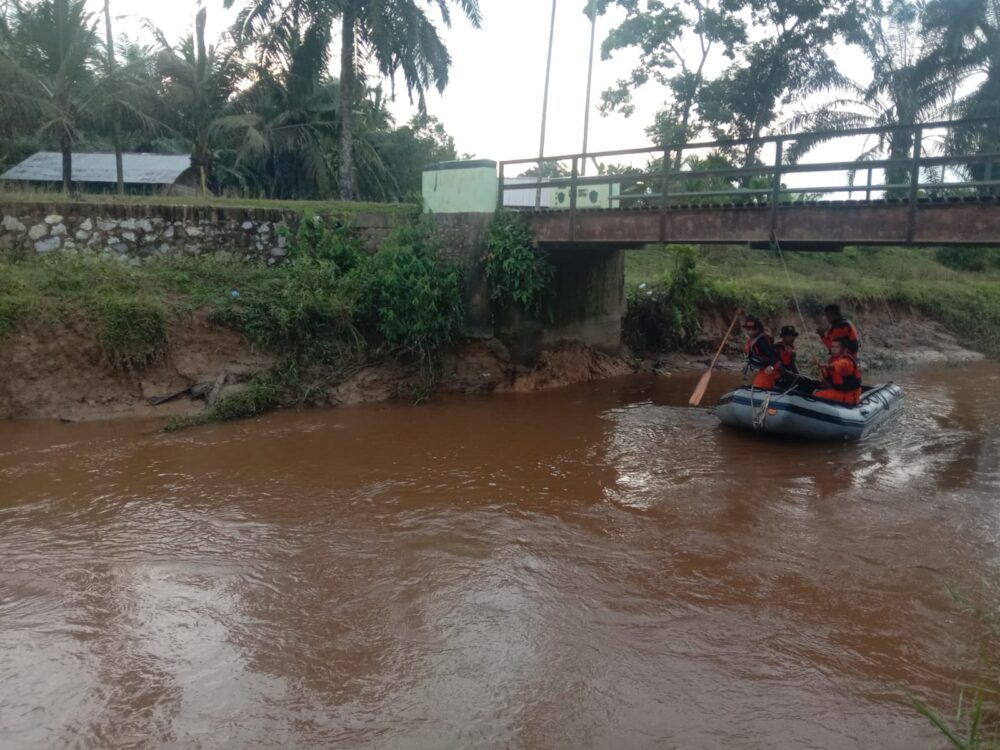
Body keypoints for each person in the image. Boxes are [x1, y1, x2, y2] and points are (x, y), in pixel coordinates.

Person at [814, 337, 862, 406]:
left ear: (843, 349)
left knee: (817, 395)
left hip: (848, 397)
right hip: (838, 391)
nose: (834, 349)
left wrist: (828, 366)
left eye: (837, 347)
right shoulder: (833, 360)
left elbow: (839, 365)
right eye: (832, 347)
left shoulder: (847, 362)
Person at [743, 315, 780, 390]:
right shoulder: (753, 339)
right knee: (759, 384)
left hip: (771, 365)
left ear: (758, 329)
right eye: (748, 329)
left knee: (759, 387)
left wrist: (771, 367)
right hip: (763, 366)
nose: (750, 332)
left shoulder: (761, 341)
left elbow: (773, 355)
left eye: (753, 329)